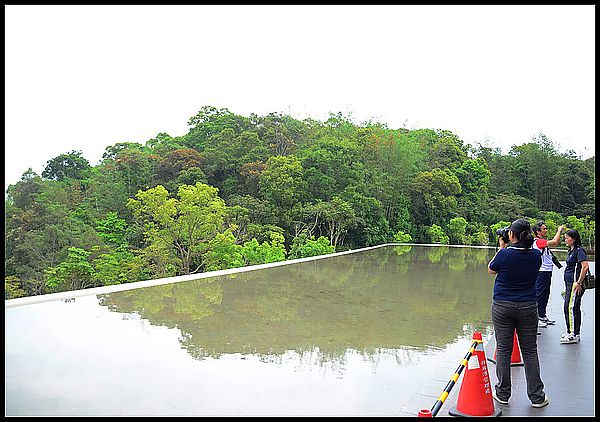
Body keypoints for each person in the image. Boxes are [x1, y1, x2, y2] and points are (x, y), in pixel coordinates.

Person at [487, 218, 549, 408]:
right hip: (529, 306)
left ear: (511, 235)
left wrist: (501, 247)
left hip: (503, 306)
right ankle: (537, 396)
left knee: (504, 350)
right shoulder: (535, 256)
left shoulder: (504, 254)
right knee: (530, 351)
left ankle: (503, 394)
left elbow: (491, 270)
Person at [531, 222, 565, 327]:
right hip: (541, 272)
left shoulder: (541, 242)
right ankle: (536, 318)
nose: (546, 230)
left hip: (546, 271)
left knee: (545, 294)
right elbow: (554, 242)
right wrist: (559, 230)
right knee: (540, 295)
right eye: (544, 229)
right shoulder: (538, 242)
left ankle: (542, 315)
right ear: (538, 231)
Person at [560, 229, 589, 344]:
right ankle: (573, 332)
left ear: (574, 239)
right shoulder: (571, 251)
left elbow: (585, 267)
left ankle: (572, 333)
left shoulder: (579, 251)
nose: (565, 239)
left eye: (567, 237)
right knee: (573, 307)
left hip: (574, 283)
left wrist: (579, 282)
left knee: (570, 307)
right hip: (569, 283)